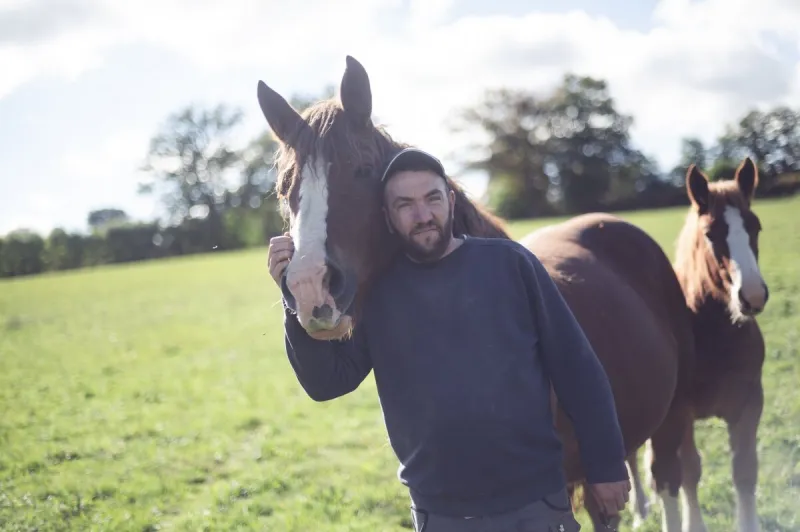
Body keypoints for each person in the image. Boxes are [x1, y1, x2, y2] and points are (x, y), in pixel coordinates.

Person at [268, 147, 631, 531]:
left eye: (433, 199)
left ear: (451, 202)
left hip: (536, 502)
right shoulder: (376, 293)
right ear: (387, 217)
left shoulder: (511, 264)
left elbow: (577, 368)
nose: (423, 215)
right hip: (440, 514)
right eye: (405, 205)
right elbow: (327, 383)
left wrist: (606, 465)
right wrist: (295, 297)